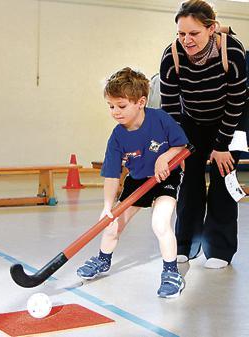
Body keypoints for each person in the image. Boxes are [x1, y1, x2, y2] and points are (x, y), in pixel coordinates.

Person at [77, 67, 189, 298]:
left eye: (121, 106)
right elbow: (111, 174)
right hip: (137, 181)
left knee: (160, 223)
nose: (115, 112)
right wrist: (107, 208)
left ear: (140, 102)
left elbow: (181, 146)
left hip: (164, 179)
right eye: (111, 106)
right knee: (113, 225)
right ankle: (103, 259)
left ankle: (171, 273)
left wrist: (164, 157)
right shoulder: (117, 136)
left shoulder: (160, 119)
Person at [160, 0, 248, 269]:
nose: (187, 40)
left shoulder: (232, 51)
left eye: (194, 33)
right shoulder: (171, 55)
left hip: (232, 120)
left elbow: (236, 101)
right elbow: (171, 107)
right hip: (192, 122)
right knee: (189, 181)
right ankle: (185, 243)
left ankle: (219, 249)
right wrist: (176, 147)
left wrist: (221, 146)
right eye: (181, 33)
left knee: (223, 182)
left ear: (211, 29)